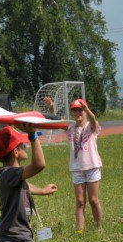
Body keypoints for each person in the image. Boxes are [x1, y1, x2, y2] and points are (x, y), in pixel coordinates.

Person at [44, 97, 103, 232]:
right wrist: (51, 107)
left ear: (85, 112)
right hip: (77, 168)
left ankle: (99, 227)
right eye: (75, 111)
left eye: (80, 110)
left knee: (93, 200)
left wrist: (87, 109)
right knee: (80, 201)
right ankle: (80, 230)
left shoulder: (91, 126)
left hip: (92, 167)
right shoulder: (71, 127)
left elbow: (93, 120)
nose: (78, 113)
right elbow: (58, 121)